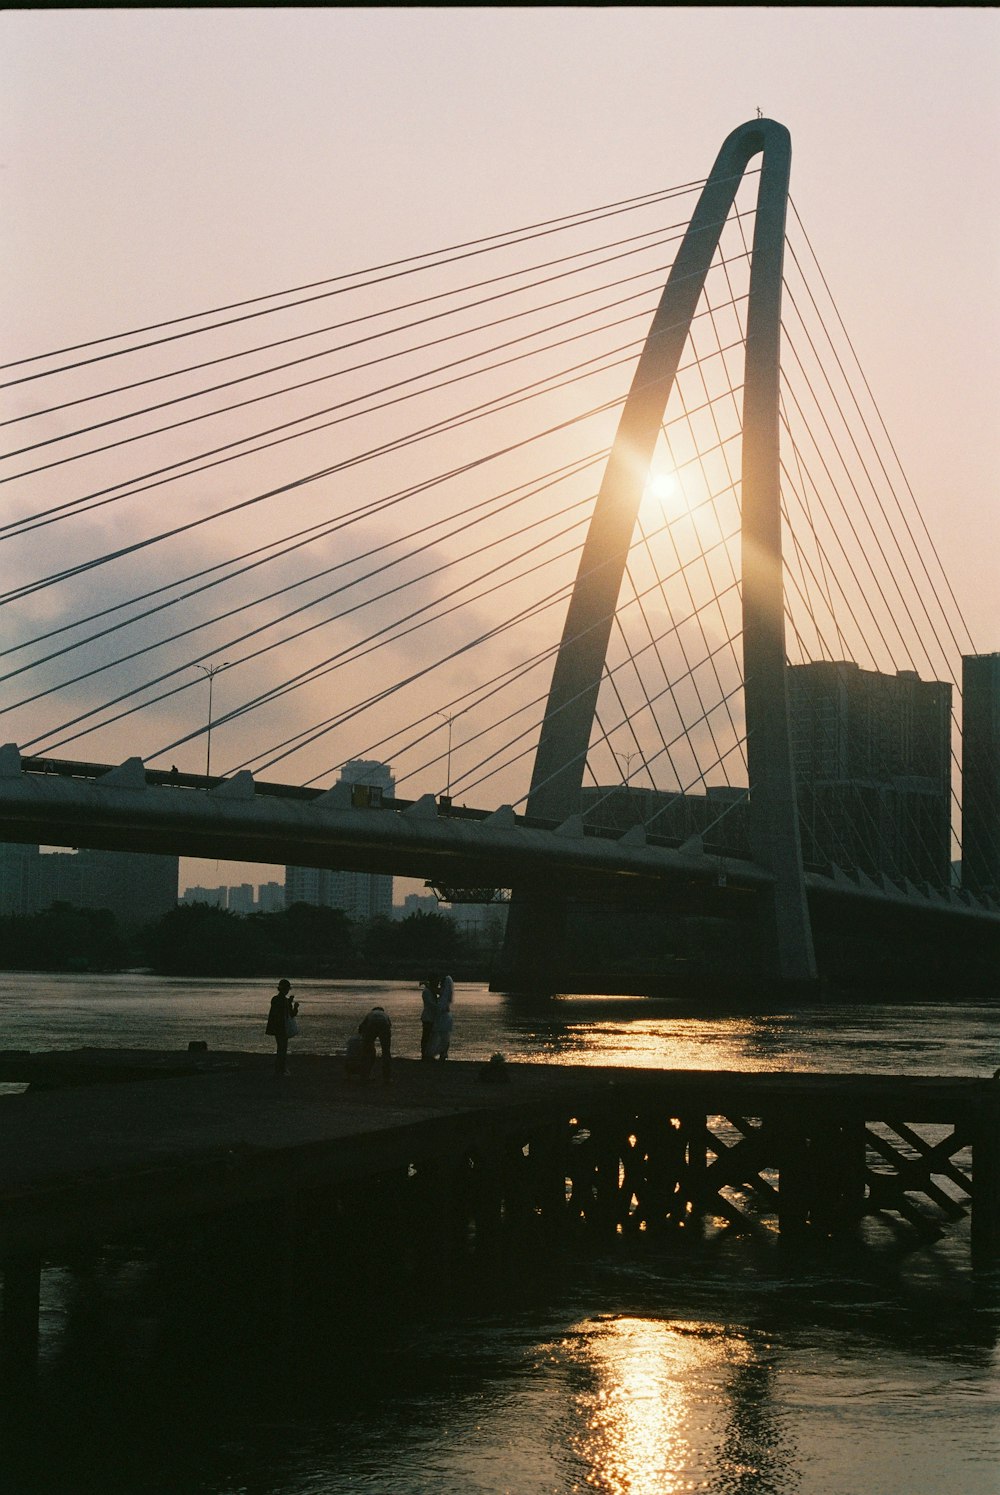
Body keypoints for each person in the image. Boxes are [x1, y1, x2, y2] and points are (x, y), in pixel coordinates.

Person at [265, 978, 298, 1076]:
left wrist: (290, 1004)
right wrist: (293, 1006)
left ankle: (279, 1069)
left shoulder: (275, 999)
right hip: (282, 1028)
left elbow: (285, 1013)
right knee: (282, 1049)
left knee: (281, 1048)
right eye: (287, 989)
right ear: (285, 989)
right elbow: (290, 1014)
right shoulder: (283, 1001)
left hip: (277, 1028)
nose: (288, 991)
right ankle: (281, 1070)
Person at [358, 1005, 392, 1083]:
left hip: (372, 1024)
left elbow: (361, 1026)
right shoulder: (385, 1015)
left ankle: (364, 1076)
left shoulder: (370, 1014)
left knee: (367, 1051)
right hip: (384, 1025)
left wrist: (362, 1038)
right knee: (386, 1052)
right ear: (382, 1010)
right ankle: (387, 1078)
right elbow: (389, 1026)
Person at [429, 972, 454, 1061]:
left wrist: (427, 984)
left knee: (442, 1035)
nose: (439, 984)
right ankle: (443, 1053)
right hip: (445, 1016)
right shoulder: (446, 993)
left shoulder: (443, 992)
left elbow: (434, 990)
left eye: (441, 983)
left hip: (444, 1016)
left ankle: (442, 1053)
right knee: (444, 1036)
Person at [419, 976, 438, 1061]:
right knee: (426, 1036)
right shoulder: (427, 991)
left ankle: (428, 1053)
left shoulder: (431, 991)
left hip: (431, 1017)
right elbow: (430, 1004)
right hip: (427, 1017)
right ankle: (424, 1054)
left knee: (430, 1036)